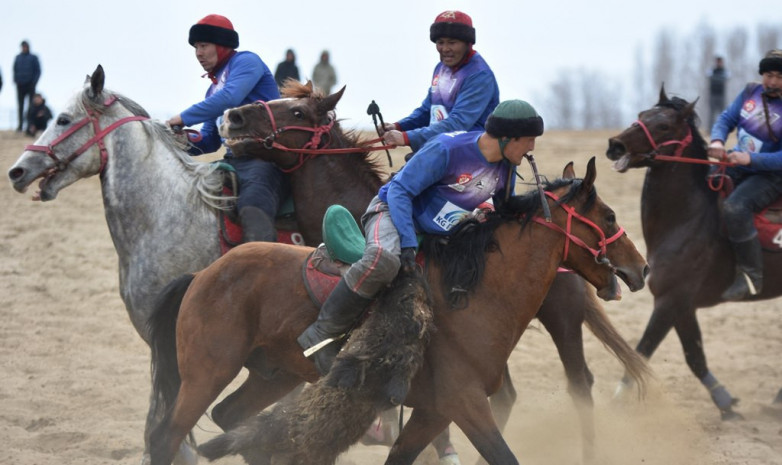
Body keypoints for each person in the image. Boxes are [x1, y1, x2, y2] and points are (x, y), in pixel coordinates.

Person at [298, 99, 544, 374]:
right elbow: (399, 192)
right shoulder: (447, 149)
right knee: (384, 261)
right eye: (529, 139)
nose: (532, 147)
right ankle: (321, 332)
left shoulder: (506, 165)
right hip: (392, 212)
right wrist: (407, 242)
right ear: (507, 138)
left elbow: (503, 208)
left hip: (439, 231)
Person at [167, 14, 287, 243]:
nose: (198, 53)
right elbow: (210, 140)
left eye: (204, 45)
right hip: (231, 160)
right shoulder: (212, 91)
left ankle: (261, 265)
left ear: (222, 45)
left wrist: (182, 118)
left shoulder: (246, 62)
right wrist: (178, 140)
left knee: (252, 207)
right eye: (195, 47)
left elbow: (230, 97)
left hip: (265, 160)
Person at [707, 49, 782, 301]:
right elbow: (726, 119)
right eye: (768, 75)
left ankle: (752, 276)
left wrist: (751, 158)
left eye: (779, 77)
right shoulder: (750, 91)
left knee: (736, 207)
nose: (772, 81)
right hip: (736, 162)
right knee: (702, 182)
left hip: (772, 175)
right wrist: (717, 141)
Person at [381, 10, 500, 158]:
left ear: (468, 43)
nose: (445, 49)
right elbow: (427, 111)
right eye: (440, 42)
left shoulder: (479, 76)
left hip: (469, 155)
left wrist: (407, 137)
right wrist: (398, 126)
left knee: (405, 180)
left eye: (452, 42)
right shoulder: (441, 68)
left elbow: (457, 124)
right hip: (440, 148)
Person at [13, 40, 41, 133]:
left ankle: (29, 126)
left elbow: (38, 71)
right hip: (20, 85)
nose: (24, 48)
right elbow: (14, 70)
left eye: (25, 46)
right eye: (23, 47)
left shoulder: (33, 58)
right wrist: (16, 81)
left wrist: (33, 82)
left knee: (30, 106)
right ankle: (20, 125)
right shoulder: (18, 58)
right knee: (20, 106)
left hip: (30, 85)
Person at [708, 56, 729, 129]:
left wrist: (715, 78)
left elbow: (725, 79)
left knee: (722, 113)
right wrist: (719, 79)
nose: (719, 63)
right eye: (717, 61)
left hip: (721, 95)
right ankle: (710, 129)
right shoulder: (711, 70)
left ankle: (721, 128)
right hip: (713, 94)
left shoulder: (725, 71)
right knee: (712, 113)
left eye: (720, 62)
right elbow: (709, 77)